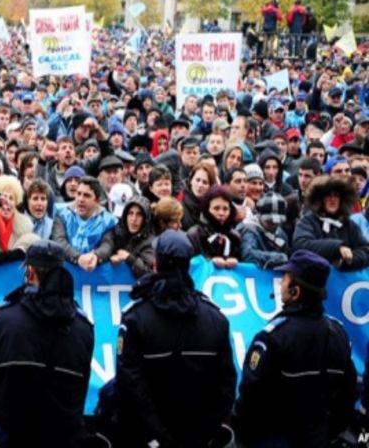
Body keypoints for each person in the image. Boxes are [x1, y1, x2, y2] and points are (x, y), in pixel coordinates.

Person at [115, 230, 236, 447]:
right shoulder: (215, 318)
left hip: (153, 438)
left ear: (156, 264)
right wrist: (205, 433)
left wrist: (157, 436)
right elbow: (226, 385)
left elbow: (129, 384)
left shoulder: (136, 317)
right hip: (195, 436)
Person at [0, 241, 93, 447]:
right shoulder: (83, 328)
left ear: (29, 272)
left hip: (10, 433)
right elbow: (80, 386)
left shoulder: (3, 320)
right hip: (61, 436)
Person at [234, 250, 358, 446]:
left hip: (275, 439)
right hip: (318, 437)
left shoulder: (273, 337)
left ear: (295, 292)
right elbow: (348, 392)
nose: (281, 283)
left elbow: (250, 397)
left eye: (285, 278)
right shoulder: (338, 333)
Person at [293, 174, 369, 270]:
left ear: (342, 200)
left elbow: (366, 250)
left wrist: (348, 260)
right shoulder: (308, 221)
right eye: (328, 195)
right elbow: (301, 244)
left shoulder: (348, 224)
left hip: (343, 281)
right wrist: (337, 247)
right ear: (320, 199)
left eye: (336, 195)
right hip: (313, 280)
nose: (332, 199)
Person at [51, 177, 117, 271]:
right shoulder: (62, 214)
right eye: (78, 194)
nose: (81, 199)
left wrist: (96, 257)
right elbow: (59, 241)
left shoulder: (108, 220)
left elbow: (107, 244)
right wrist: (78, 258)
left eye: (86, 195)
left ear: (97, 201)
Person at [98, 195, 155, 277]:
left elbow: (148, 273)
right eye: (130, 213)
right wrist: (109, 258)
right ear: (125, 216)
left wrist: (129, 258)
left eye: (139, 214)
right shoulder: (114, 233)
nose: (134, 219)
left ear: (146, 218)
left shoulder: (151, 242)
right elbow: (105, 247)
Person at [240, 192, 291, 268]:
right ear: (259, 215)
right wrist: (276, 257)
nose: (274, 224)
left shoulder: (280, 233)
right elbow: (248, 255)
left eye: (277, 221)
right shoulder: (250, 230)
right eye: (269, 220)